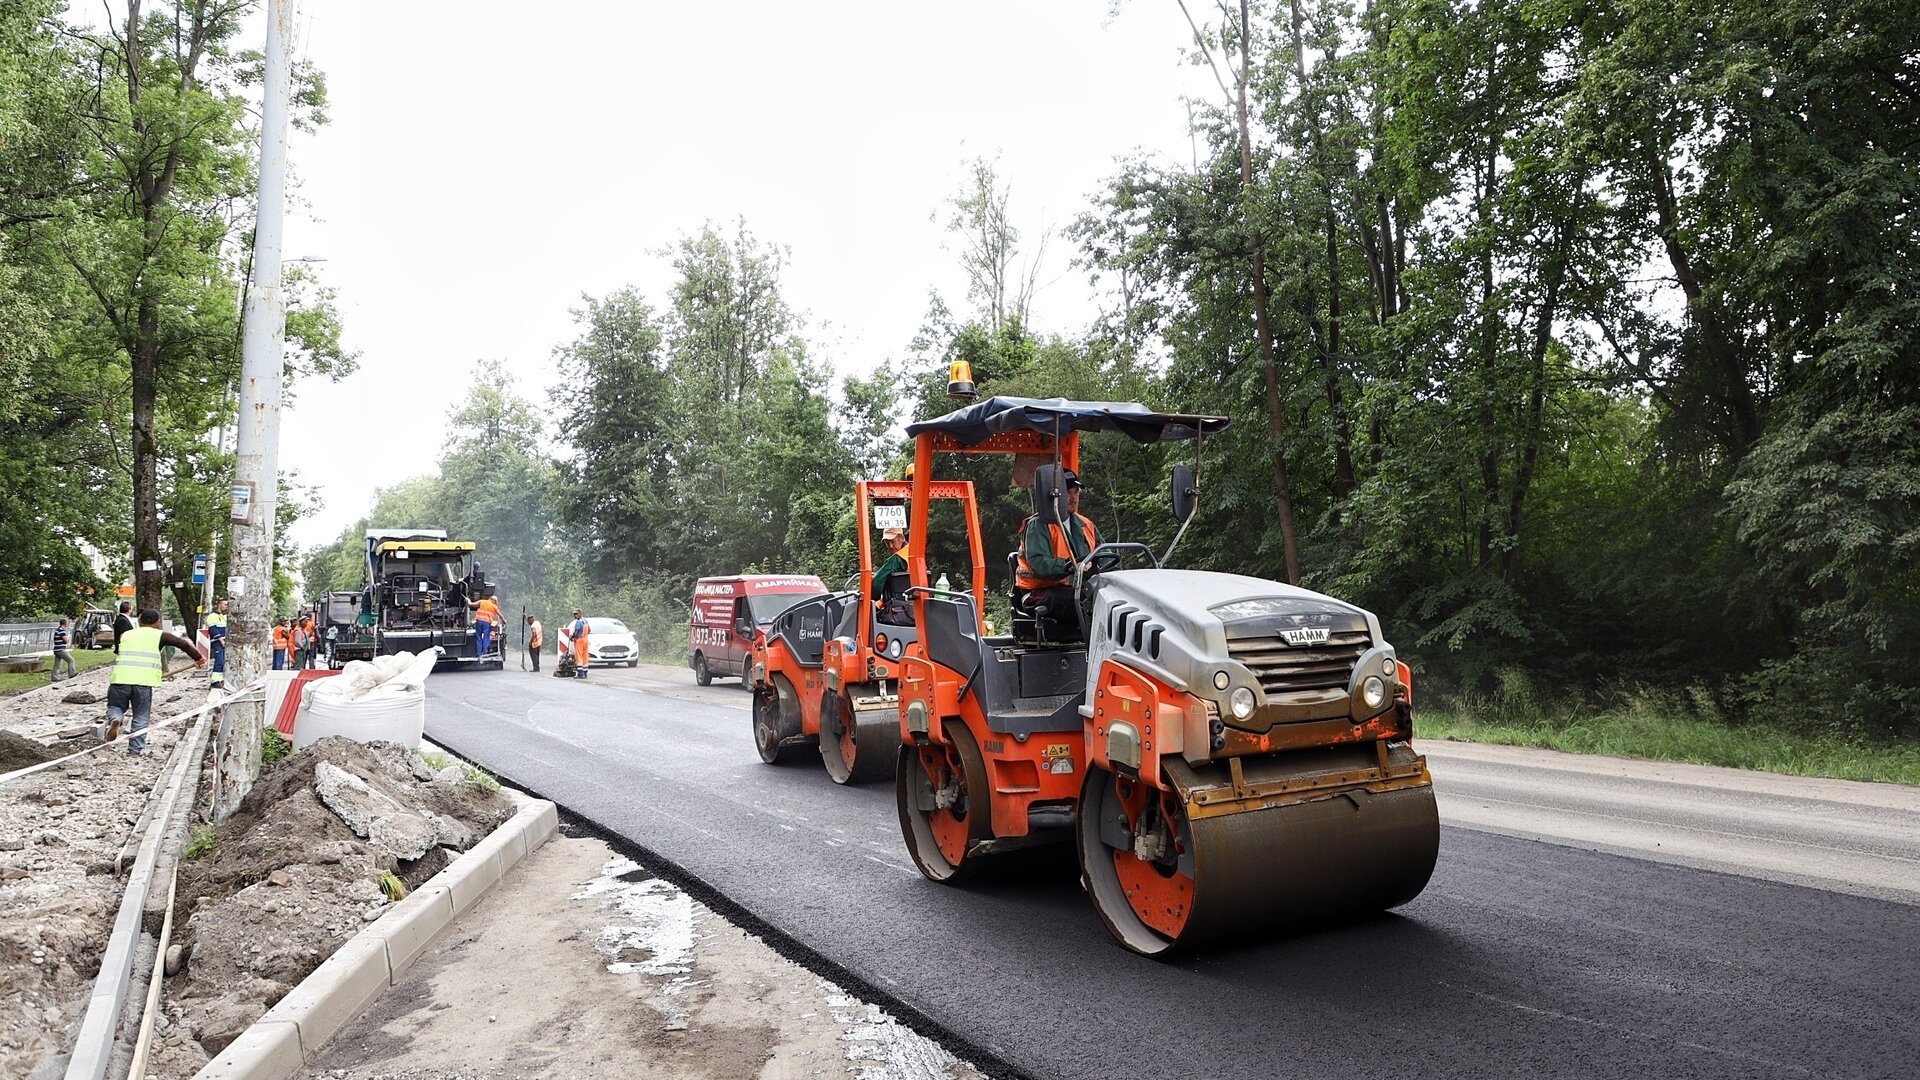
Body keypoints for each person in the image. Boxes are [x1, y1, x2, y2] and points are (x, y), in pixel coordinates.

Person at [102, 608, 204, 755]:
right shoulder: (160, 635)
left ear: (139, 620)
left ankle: (116, 718)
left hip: (120, 679)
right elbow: (184, 644)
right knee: (141, 716)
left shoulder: (126, 634)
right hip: (143, 682)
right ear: (158, 622)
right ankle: (134, 750)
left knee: (115, 706)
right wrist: (198, 658)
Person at [1014, 468, 1101, 637]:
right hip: (1038, 594)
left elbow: (1104, 555)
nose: (1073, 497)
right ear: (1054, 496)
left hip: (1074, 590)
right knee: (1086, 600)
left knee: (1110, 597)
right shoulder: (1039, 525)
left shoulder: (1086, 525)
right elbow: (1039, 564)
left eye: (1076, 492)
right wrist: (1069, 565)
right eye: (1067, 492)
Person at [872, 527, 914, 625]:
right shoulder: (916, 554)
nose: (890, 546)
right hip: (913, 606)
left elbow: (876, 583)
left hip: (897, 609)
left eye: (892, 541)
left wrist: (873, 597)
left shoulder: (895, 560)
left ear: (902, 538)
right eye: (887, 542)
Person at [468, 592, 502, 660]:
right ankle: (484, 653)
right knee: (486, 638)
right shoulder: (494, 606)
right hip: (487, 623)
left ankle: (479, 654)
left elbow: (470, 604)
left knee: (478, 637)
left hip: (479, 622)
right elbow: (500, 615)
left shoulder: (482, 601)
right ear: (495, 601)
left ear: (489, 599)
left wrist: (468, 599)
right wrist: (504, 621)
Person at [204, 598, 228, 687]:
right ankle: (215, 681)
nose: (227, 606)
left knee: (224, 660)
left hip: (225, 641)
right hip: (217, 641)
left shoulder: (225, 616)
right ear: (219, 605)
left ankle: (220, 678)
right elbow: (213, 630)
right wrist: (221, 640)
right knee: (219, 660)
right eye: (225, 604)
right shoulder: (212, 616)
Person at [560, 609, 590, 678]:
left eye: (576, 614)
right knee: (585, 657)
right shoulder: (585, 621)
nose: (575, 616)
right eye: (574, 614)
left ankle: (580, 674)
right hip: (585, 640)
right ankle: (585, 673)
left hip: (579, 641)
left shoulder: (578, 622)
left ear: (580, 614)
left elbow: (576, 632)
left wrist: (572, 637)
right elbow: (589, 630)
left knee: (579, 657)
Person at [50, 617, 77, 682]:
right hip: (60, 649)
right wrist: (68, 637)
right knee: (71, 660)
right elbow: (66, 640)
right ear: (65, 623)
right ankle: (71, 674)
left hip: (56, 649)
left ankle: (54, 677)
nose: (68, 624)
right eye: (67, 622)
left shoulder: (58, 630)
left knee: (57, 664)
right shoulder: (62, 630)